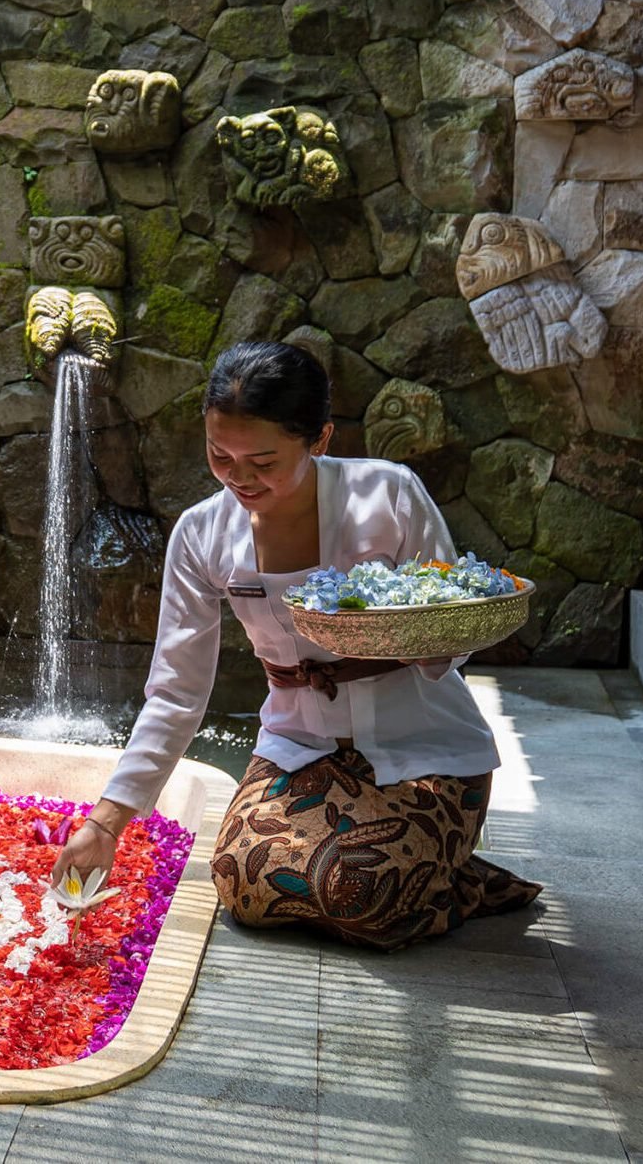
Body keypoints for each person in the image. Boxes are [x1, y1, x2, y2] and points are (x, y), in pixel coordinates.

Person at [49, 341, 541, 951]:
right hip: (300, 748)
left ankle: (461, 882)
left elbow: (454, 633)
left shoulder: (388, 495)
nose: (239, 479)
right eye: (219, 455)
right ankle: (422, 869)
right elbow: (176, 687)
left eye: (262, 460)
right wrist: (106, 822)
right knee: (241, 885)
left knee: (359, 892)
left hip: (425, 750)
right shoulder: (202, 534)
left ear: (321, 439)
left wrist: (410, 638)